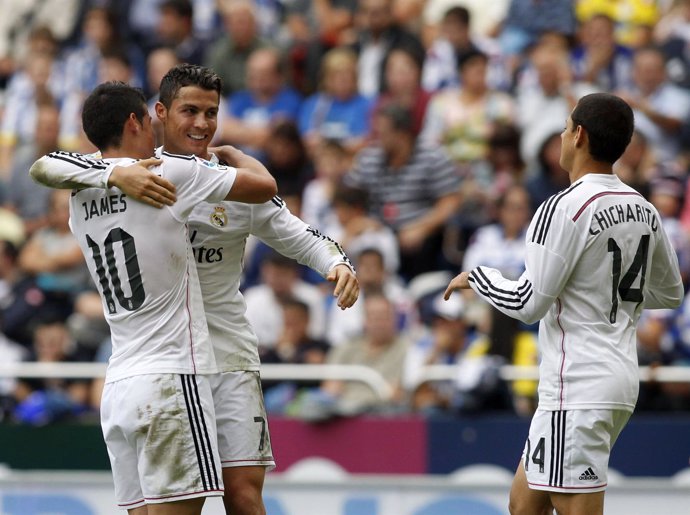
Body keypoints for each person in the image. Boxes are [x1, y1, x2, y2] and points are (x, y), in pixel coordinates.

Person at [31, 64, 359, 515]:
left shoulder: (214, 179)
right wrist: (116, 175)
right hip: (172, 362)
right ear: (158, 113)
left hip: (224, 356)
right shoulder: (154, 172)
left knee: (242, 495)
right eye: (190, 111)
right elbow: (53, 163)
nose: (202, 124)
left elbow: (296, 231)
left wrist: (337, 261)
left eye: (211, 112)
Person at [444, 93, 684, 515]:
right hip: (612, 379)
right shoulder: (643, 209)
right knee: (524, 503)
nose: (559, 134)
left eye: (565, 125)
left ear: (579, 136)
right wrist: (601, 293)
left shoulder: (563, 207)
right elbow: (670, 292)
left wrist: (477, 277)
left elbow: (527, 302)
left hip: (578, 382)